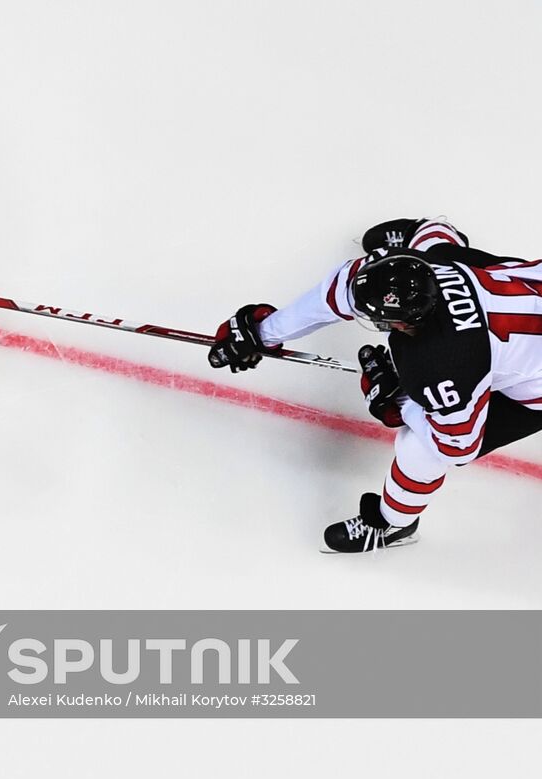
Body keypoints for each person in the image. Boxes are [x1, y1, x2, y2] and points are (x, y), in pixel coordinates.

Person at [208, 218, 542, 552]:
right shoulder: (426, 266)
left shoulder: (446, 368)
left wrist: (402, 404)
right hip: (521, 290)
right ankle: (430, 228)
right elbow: (339, 292)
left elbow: (457, 447)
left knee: (418, 451)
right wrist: (263, 332)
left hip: (528, 382)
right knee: (434, 246)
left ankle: (393, 524)